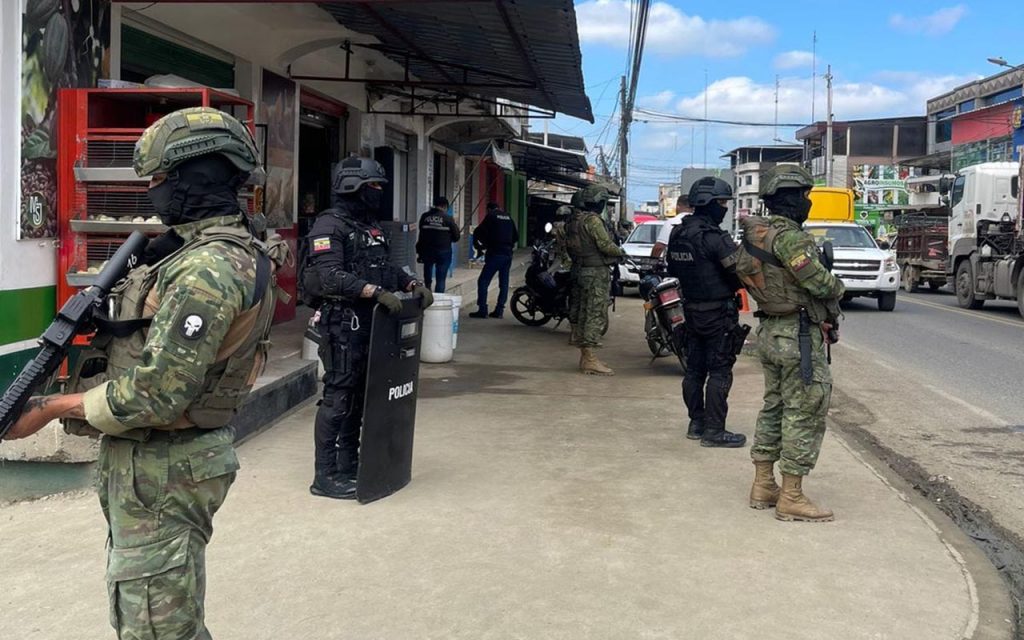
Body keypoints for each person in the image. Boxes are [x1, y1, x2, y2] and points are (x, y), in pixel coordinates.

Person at [6, 106, 287, 639]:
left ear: (196, 175)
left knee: (156, 627)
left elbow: (158, 393)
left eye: (161, 178)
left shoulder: (208, 267)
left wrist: (49, 410)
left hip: (165, 465)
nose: (153, 190)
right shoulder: (189, 252)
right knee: (161, 615)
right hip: (154, 463)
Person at [303, 156, 433, 500]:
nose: (378, 192)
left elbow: (385, 265)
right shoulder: (328, 226)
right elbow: (330, 276)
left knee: (362, 398)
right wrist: (374, 292)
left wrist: (409, 284)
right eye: (373, 186)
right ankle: (326, 474)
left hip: (372, 327)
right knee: (339, 397)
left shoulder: (370, 226)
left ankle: (350, 463)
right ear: (352, 187)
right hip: (343, 324)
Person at [735, 165, 844, 522]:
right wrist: (838, 287)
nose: (808, 203)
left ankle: (764, 483)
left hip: (769, 331)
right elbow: (818, 282)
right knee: (805, 409)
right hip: (797, 336)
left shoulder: (757, 235)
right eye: (805, 197)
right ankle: (792, 495)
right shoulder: (792, 238)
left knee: (775, 406)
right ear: (794, 200)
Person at [666, 177, 748, 448]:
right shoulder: (714, 238)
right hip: (718, 315)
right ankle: (714, 431)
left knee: (694, 371)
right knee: (720, 371)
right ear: (710, 204)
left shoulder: (678, 234)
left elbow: (673, 270)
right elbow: (739, 274)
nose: (724, 208)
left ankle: (696, 423)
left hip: (690, 310)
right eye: (722, 203)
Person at [565, 184, 625, 375]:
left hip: (579, 270)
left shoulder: (574, 220)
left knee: (582, 312)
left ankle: (585, 357)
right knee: (594, 314)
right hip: (595, 273)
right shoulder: (593, 221)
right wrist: (620, 252)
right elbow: (605, 245)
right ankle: (590, 359)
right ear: (599, 202)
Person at [469, 202, 518, 319]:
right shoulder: (508, 217)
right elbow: (516, 237)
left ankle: (482, 310)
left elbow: (478, 231)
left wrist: (481, 246)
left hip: (496, 253)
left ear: (489, 209)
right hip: (508, 254)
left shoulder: (491, 216)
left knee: (483, 281)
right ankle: (499, 310)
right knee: (504, 283)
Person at [416, 195, 461, 293]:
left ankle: (427, 291)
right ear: (445, 206)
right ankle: (438, 298)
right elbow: (457, 237)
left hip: (427, 250)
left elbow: (421, 234)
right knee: (441, 279)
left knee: (427, 270)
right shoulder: (448, 218)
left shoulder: (425, 216)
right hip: (443, 251)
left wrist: (419, 251)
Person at [652, 193, 693, 258]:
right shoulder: (699, 222)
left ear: (678, 206)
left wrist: (652, 263)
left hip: (676, 264)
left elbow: (659, 247)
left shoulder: (672, 222)